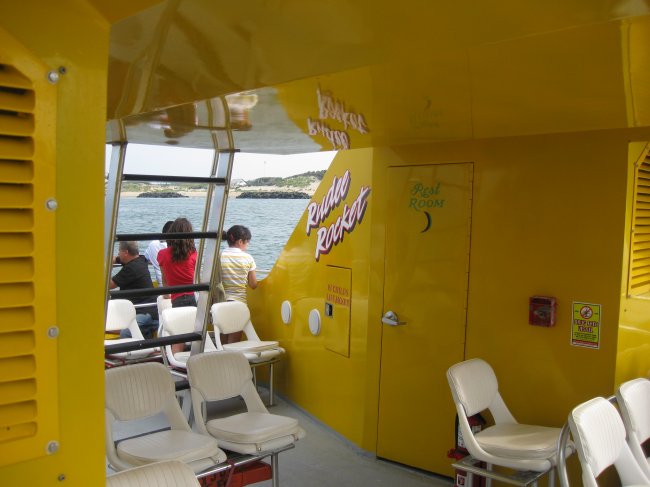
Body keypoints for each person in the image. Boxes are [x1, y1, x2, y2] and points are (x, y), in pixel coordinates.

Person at [109, 241, 158, 338]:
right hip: (150, 309)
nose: (118, 253)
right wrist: (116, 259)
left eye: (119, 251)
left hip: (143, 313)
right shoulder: (141, 260)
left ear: (126, 252)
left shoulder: (131, 269)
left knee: (126, 332)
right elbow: (121, 258)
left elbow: (109, 285)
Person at [157, 217, 197, 308]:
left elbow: (165, 281)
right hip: (193, 298)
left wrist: (166, 295)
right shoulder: (194, 254)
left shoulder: (162, 254)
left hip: (177, 300)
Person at [221, 225, 257, 303]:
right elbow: (253, 284)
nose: (247, 245)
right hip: (240, 303)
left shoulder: (219, 256)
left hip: (221, 303)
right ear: (240, 242)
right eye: (247, 242)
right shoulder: (248, 258)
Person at [144, 220, 173, 287]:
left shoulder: (153, 244)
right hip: (179, 286)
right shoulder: (180, 248)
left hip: (162, 287)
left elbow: (145, 258)